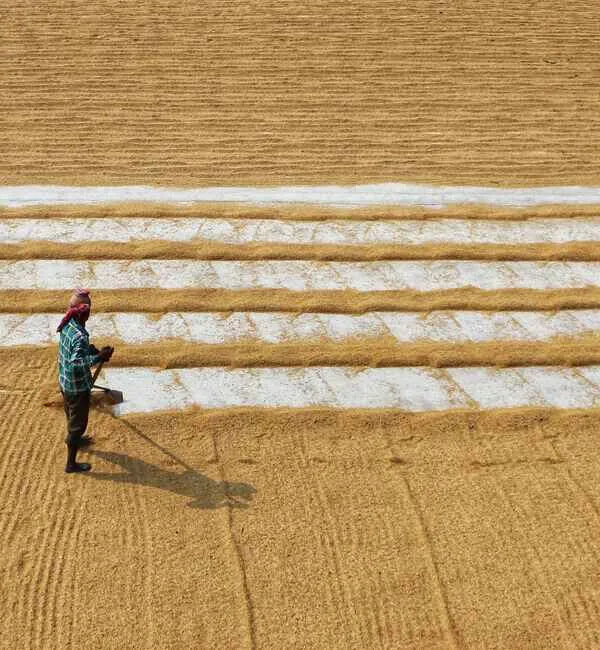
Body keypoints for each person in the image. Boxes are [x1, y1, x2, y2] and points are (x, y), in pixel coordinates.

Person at [57, 288, 114, 473]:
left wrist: (93, 351)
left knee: (71, 413)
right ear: (86, 313)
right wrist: (98, 358)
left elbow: (75, 350)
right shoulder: (80, 335)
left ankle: (75, 436)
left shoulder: (67, 324)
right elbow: (76, 363)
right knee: (77, 425)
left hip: (65, 382)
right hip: (77, 387)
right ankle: (71, 463)